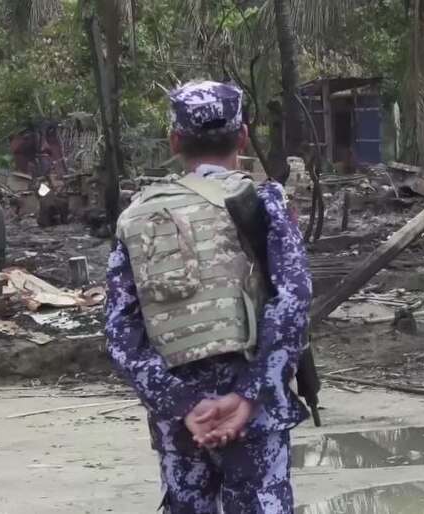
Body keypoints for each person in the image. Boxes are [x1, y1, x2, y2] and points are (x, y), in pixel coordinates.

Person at [104, 80, 312, 514]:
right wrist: (251, 393)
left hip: (181, 424)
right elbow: (292, 301)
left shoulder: (137, 216)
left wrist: (181, 405)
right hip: (254, 412)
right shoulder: (263, 200)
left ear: (174, 140)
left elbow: (121, 332)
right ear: (241, 136)